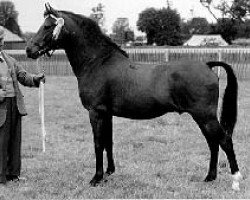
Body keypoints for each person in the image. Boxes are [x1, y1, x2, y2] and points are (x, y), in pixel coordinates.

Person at [0, 26, 45, 185]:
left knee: (14, 140)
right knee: (2, 142)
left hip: (14, 105)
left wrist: (35, 79)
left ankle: (13, 174)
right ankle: (1, 177)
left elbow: (22, 75)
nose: (1, 42)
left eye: (1, 39)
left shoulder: (8, 59)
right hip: (1, 107)